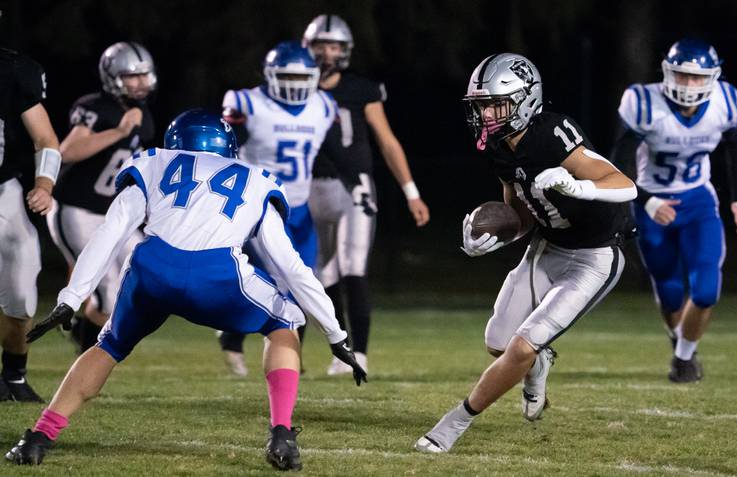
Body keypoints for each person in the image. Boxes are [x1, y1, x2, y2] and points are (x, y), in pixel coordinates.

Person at [4, 110, 366, 470]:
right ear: (228, 146)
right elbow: (290, 266)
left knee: (108, 345)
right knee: (284, 321)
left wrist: (70, 298)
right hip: (217, 275)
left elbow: (110, 233)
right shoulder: (256, 179)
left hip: (154, 270)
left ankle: (38, 437)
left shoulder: (153, 163)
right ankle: (282, 434)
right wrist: (335, 334)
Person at [415, 53, 636, 454]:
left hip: (595, 255)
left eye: (493, 104)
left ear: (525, 99)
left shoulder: (552, 133)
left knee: (520, 347)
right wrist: (493, 239)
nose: (485, 115)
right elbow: (520, 212)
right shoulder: (500, 147)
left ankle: (453, 424)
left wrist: (580, 187)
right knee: (499, 342)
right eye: (480, 107)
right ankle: (540, 363)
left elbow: (624, 185)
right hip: (547, 248)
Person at [611, 39, 737, 383]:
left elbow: (735, 144)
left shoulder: (726, 102)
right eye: (682, 76)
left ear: (711, 78)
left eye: (696, 77)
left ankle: (684, 359)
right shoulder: (644, 103)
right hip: (651, 203)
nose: (688, 85)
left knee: (705, 289)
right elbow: (619, 161)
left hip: (698, 200)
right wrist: (646, 200)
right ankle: (680, 345)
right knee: (670, 289)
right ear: (668, 73)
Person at [302, 14, 430, 375]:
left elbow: (388, 142)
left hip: (353, 187)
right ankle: (339, 351)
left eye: (333, 46)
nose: (327, 53)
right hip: (308, 187)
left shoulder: (361, 89)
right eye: (321, 46)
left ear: (344, 51)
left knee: (353, 267)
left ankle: (360, 353)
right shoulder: (297, 88)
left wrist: (411, 193)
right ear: (308, 49)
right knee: (321, 274)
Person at [217, 40, 336, 376]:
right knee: (278, 282)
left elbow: (328, 152)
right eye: (288, 78)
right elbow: (226, 149)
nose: (296, 86)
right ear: (270, 75)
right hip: (260, 208)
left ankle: (277, 353)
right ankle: (259, 348)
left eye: (302, 79)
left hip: (299, 209)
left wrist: (355, 180)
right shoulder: (246, 103)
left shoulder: (324, 106)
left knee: (303, 283)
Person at [46, 41, 156, 352]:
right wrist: (119, 133)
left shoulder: (142, 114)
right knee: (108, 288)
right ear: (113, 77)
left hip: (112, 213)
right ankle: (87, 355)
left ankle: (83, 330)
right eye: (132, 76)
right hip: (76, 209)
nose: (140, 83)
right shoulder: (95, 107)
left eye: (144, 75)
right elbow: (67, 152)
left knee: (146, 266)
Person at [0, 47, 61, 403]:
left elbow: (46, 139)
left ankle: (15, 374)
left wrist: (44, 184)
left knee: (22, 291)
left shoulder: (13, 71)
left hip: (3, 190)